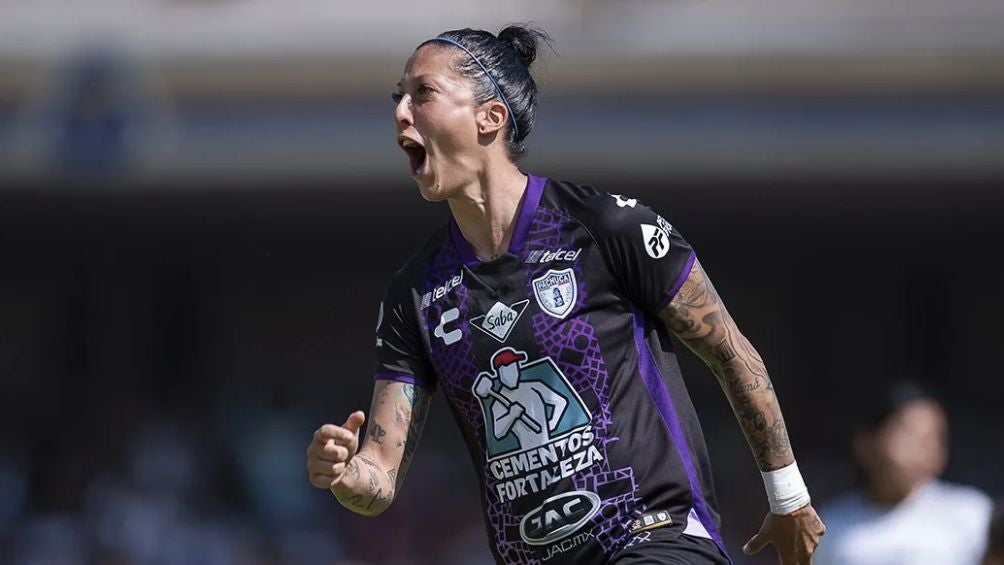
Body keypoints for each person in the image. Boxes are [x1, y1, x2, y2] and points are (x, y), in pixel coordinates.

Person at [306, 25, 825, 564]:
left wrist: (787, 496)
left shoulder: (604, 227)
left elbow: (731, 354)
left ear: (490, 117)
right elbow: (379, 478)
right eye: (398, 98)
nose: (401, 113)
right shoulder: (415, 292)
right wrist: (344, 475)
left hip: (656, 537)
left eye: (423, 93)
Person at [814, 381, 992, 565]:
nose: (925, 450)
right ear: (866, 443)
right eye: (910, 436)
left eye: (934, 438)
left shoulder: (973, 515)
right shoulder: (830, 526)